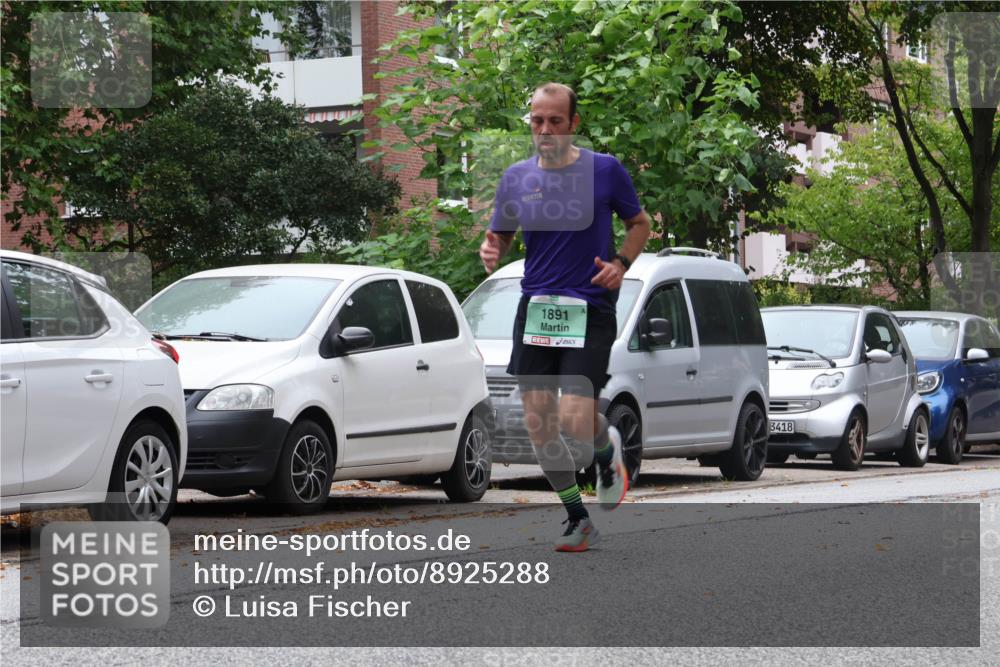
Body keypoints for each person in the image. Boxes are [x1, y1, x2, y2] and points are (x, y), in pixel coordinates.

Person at [479, 82, 651, 552]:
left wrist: (621, 263)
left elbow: (640, 224)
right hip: (537, 310)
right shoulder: (516, 177)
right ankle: (578, 518)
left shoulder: (604, 170)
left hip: (589, 307)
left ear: (573, 123)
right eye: (537, 121)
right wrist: (494, 247)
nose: (545, 130)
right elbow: (502, 234)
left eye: (555, 121)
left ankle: (606, 449)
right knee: (539, 424)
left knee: (576, 418)